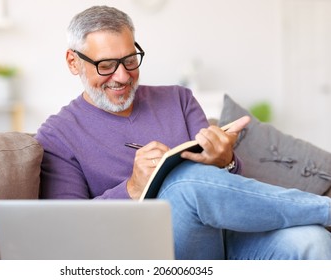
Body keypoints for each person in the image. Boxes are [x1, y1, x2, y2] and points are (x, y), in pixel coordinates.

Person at [35, 5, 331, 259]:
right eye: (106, 66)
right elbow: (69, 231)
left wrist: (225, 158)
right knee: (184, 183)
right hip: (147, 253)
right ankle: (325, 208)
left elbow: (222, 186)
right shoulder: (57, 135)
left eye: (129, 60)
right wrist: (133, 188)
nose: (123, 76)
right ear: (74, 62)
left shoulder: (179, 98)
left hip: (225, 236)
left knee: (312, 241)